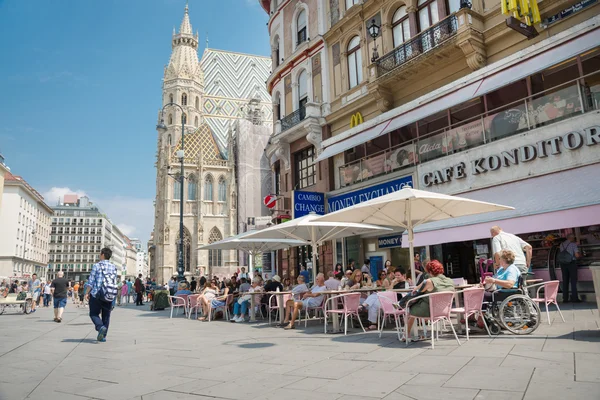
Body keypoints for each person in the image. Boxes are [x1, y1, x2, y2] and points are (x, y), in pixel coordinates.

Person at [404, 260, 455, 341]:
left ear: (429, 271)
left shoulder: (429, 281)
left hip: (429, 311)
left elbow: (416, 292)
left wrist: (423, 282)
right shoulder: (450, 281)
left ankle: (406, 334)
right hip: (444, 310)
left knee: (409, 307)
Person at [85, 248, 119, 342]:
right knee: (106, 316)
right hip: (109, 294)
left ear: (103, 254)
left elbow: (91, 281)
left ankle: (100, 327)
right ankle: (103, 336)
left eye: (100, 254)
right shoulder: (113, 267)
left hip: (97, 294)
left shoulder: (97, 266)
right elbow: (114, 282)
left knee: (93, 313)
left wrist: (87, 292)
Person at [558, 234, 581, 303]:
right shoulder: (573, 244)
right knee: (573, 281)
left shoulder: (561, 244)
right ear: (572, 238)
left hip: (563, 264)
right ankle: (574, 298)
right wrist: (580, 256)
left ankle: (565, 298)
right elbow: (576, 255)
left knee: (565, 281)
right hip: (571, 264)